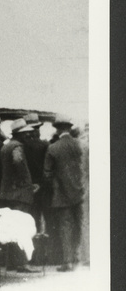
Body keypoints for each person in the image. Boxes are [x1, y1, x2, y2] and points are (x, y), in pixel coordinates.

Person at [44, 114, 86, 272]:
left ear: (57, 129)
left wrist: (56, 185)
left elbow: (47, 174)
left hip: (61, 194)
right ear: (69, 127)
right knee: (80, 225)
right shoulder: (80, 145)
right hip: (81, 192)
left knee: (65, 227)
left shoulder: (53, 148)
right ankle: (78, 257)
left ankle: (67, 261)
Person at [0, 118, 40, 272]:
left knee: (10, 228)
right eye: (26, 133)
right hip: (19, 194)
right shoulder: (17, 146)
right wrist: (26, 183)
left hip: (7, 192)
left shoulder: (5, 146)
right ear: (21, 134)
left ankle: (11, 262)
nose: (28, 135)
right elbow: (18, 162)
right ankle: (22, 263)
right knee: (22, 227)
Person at [20, 112, 50, 237]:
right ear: (37, 129)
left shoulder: (23, 146)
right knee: (44, 213)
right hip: (42, 185)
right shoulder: (45, 145)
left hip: (28, 184)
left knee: (31, 214)